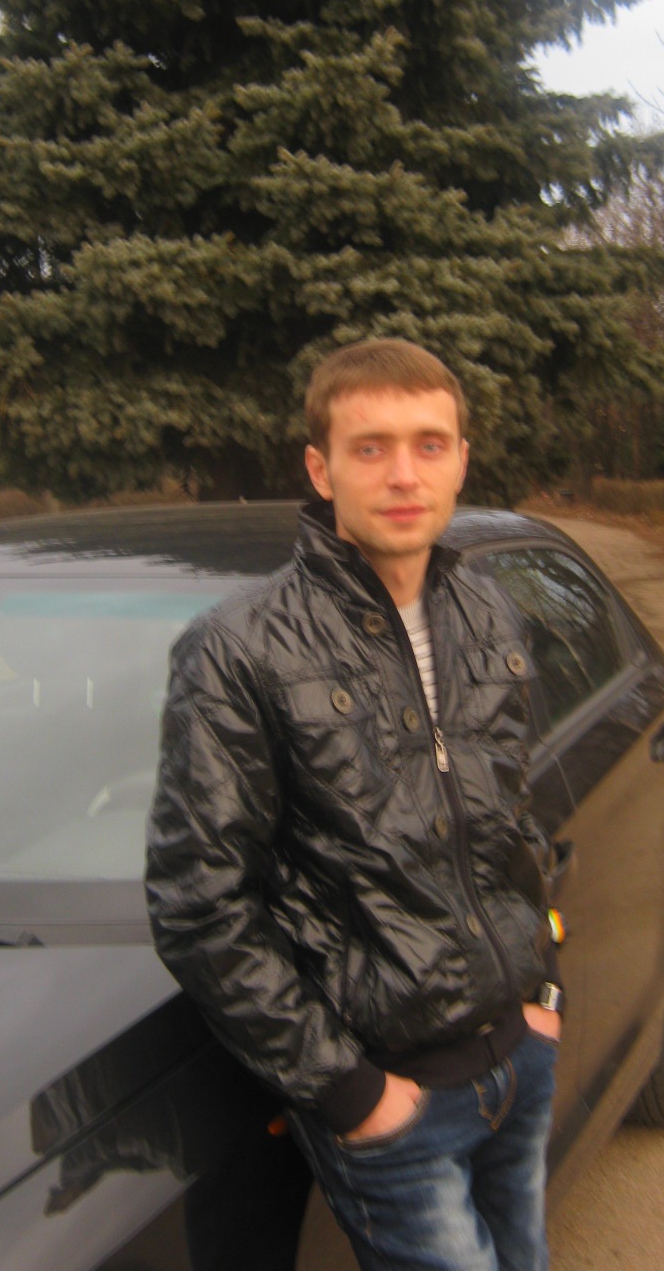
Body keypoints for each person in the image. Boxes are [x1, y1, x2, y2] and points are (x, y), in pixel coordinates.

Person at [145, 339, 566, 1271]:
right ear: (320, 468)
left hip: (519, 1055)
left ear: (462, 460)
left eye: (429, 444)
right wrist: (348, 1092)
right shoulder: (240, 650)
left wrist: (544, 989)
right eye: (370, 448)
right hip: (394, 1101)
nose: (403, 474)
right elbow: (199, 905)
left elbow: (514, 817)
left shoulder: (488, 613)